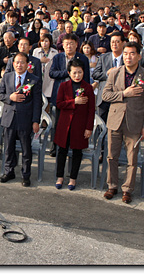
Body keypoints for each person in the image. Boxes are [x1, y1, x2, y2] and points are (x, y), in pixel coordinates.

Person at [101, 41, 144, 204]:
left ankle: (127, 189)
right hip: (115, 120)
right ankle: (112, 185)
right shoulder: (115, 73)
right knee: (111, 156)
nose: (128, 57)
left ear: (139, 56)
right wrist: (124, 93)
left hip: (135, 122)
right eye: (125, 54)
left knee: (132, 159)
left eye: (132, 53)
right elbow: (105, 96)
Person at [0, 52, 42, 187]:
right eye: (17, 62)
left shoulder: (34, 80)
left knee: (26, 150)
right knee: (8, 147)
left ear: (27, 65)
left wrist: (35, 121)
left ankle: (25, 175)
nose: (19, 65)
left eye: (22, 62)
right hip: (9, 117)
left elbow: (37, 102)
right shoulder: (7, 76)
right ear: (13, 63)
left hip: (25, 119)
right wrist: (10, 97)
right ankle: (8, 171)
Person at [53, 58, 96, 190]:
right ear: (69, 73)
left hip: (80, 125)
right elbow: (58, 104)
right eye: (74, 73)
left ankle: (73, 178)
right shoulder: (63, 86)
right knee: (62, 151)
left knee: (77, 152)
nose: (77, 75)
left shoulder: (88, 88)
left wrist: (89, 128)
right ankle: (59, 177)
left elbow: (91, 110)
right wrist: (74, 102)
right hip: (64, 124)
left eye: (80, 72)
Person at [92, 32, 125, 121]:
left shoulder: (127, 58)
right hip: (103, 98)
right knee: (101, 126)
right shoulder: (103, 57)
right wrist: (107, 73)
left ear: (123, 43)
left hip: (120, 97)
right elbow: (95, 74)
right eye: (112, 42)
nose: (114, 44)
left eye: (117, 42)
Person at [32, 33, 58, 109]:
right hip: (38, 76)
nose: (44, 43)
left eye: (46, 41)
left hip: (49, 78)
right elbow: (32, 63)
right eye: (42, 41)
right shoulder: (36, 51)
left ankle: (46, 117)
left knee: (47, 100)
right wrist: (40, 60)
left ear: (50, 42)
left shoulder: (55, 52)